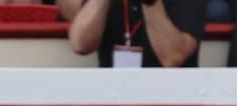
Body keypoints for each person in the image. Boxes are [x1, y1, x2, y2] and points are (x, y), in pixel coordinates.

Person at [59, 0, 207, 65]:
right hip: (114, 98)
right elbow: (80, 44)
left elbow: (173, 57)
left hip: (168, 101)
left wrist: (150, 3)